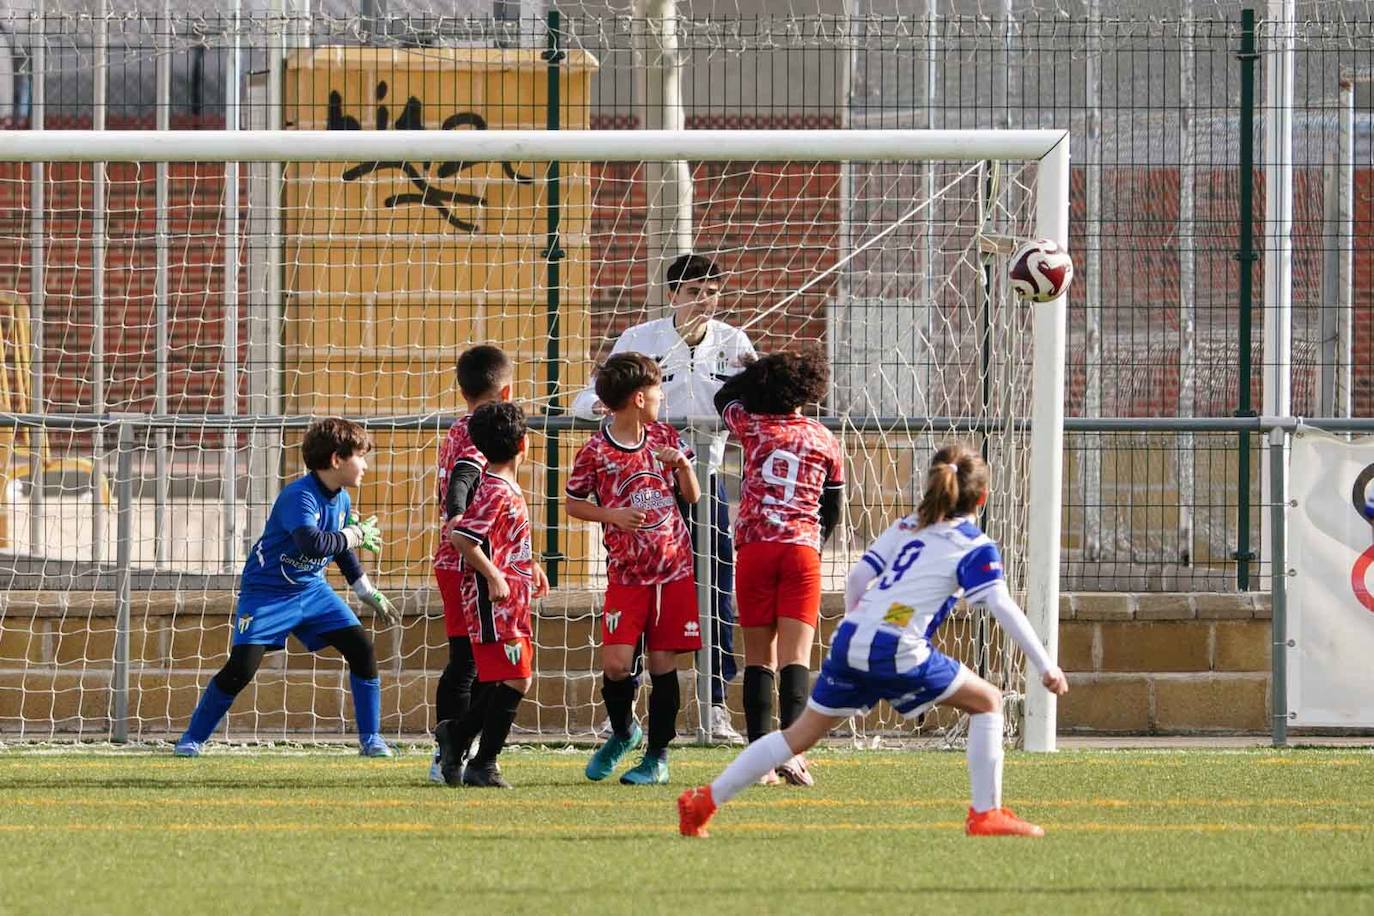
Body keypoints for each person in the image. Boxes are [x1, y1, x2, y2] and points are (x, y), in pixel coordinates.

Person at [678, 444, 1070, 838]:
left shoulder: (908, 525)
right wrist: (1046, 666)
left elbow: (856, 580)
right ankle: (986, 814)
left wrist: (862, 623)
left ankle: (703, 802)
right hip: (897, 648)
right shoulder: (973, 544)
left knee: (797, 736)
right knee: (988, 700)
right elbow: (1001, 605)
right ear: (982, 498)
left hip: (852, 639)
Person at [571, 253, 753, 743]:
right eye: (694, 292)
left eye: (712, 291)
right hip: (643, 490)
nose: (704, 301)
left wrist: (755, 378)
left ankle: (714, 702)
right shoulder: (640, 340)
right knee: (636, 595)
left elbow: (757, 408)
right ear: (673, 296)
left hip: (699, 481)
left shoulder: (734, 343)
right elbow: (585, 400)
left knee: (715, 590)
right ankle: (623, 706)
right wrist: (620, 400)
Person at [174, 418, 400, 757]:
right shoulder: (299, 496)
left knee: (361, 649)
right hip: (267, 594)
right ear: (337, 460)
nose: (365, 465)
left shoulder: (341, 500)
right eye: (359, 456)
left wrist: (365, 589)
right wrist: (352, 535)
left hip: (312, 590)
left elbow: (339, 548)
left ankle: (371, 740)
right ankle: (191, 739)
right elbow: (311, 543)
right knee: (241, 669)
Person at [567, 353, 703, 785]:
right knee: (617, 664)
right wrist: (613, 515)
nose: (664, 397)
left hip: (673, 572)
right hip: (626, 577)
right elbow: (573, 503)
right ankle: (624, 732)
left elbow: (693, 496)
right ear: (640, 398)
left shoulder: (666, 436)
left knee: (664, 665)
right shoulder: (596, 451)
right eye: (660, 391)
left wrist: (681, 465)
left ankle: (658, 757)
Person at [712, 349, 844, 786]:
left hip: (755, 549)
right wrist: (814, 543)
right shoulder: (824, 438)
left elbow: (725, 397)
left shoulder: (751, 427)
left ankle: (759, 760)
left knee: (758, 659)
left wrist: (751, 371)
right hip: (800, 552)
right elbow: (834, 507)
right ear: (807, 393)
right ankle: (794, 754)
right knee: (796, 658)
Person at [436, 402, 549, 788]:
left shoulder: (506, 487)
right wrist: (495, 576)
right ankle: (482, 762)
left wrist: (528, 565)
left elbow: (500, 538)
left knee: (508, 679)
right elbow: (463, 536)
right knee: (517, 678)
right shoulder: (496, 488)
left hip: (513, 598)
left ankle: (460, 736)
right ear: (523, 443)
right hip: (491, 601)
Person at [428, 344, 514, 783]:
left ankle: (456, 748)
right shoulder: (481, 434)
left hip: (467, 559)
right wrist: (460, 522)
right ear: (507, 391)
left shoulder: (459, 427)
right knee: (471, 663)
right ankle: (452, 750)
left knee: (471, 661)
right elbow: (462, 483)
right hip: (470, 562)